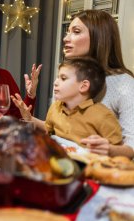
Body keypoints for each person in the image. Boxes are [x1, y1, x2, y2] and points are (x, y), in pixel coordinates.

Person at [12, 57, 126, 156]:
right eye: (57, 77)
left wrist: (108, 150)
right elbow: (48, 130)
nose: (55, 82)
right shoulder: (55, 107)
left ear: (83, 86)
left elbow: (119, 153)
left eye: (63, 78)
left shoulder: (104, 116)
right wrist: (29, 119)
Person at [63, 10, 134, 157]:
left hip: (102, 172)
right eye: (67, 32)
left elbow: (132, 145)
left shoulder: (124, 83)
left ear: (98, 38)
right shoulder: (66, 78)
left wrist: (109, 149)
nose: (66, 38)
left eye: (76, 32)